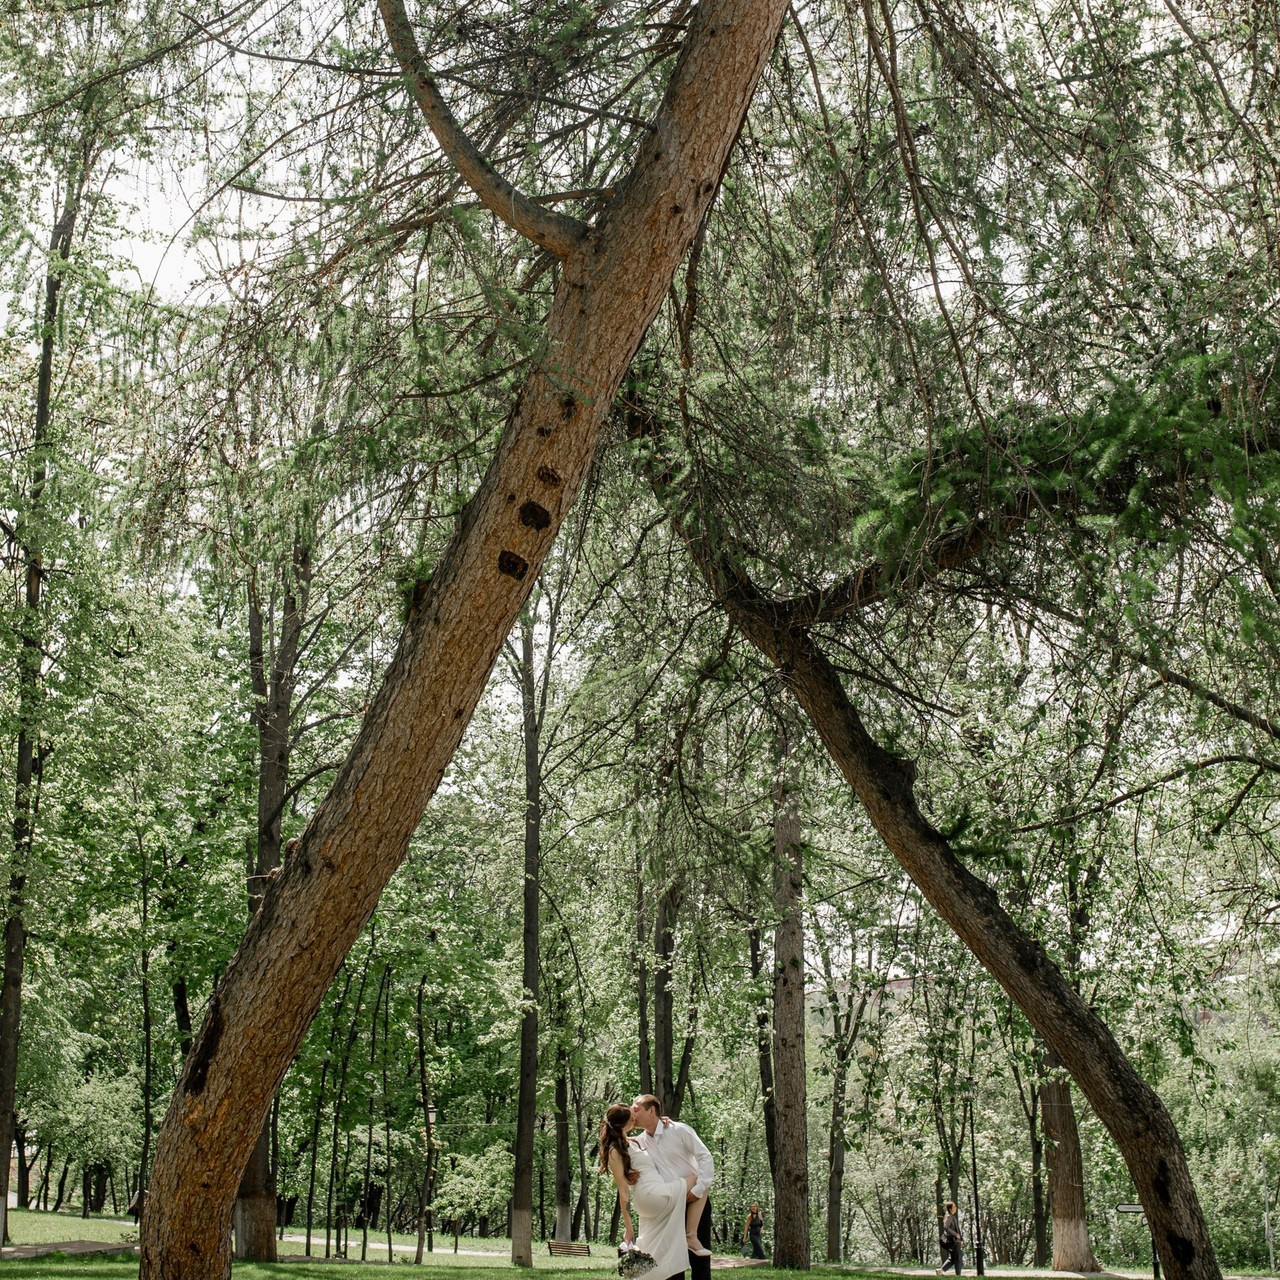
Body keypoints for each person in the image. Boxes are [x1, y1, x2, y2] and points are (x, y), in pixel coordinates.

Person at [600, 1103, 698, 1280]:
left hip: (649, 1199)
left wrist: (662, 1123)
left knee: (653, 1248)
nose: (635, 1119)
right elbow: (623, 1192)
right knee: (697, 1178)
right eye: (632, 1118)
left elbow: (651, 1138)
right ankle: (692, 1235)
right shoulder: (615, 1150)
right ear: (623, 1124)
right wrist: (628, 1229)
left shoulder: (630, 1142)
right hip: (652, 1194)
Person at [629, 1094, 715, 1279]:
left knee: (699, 1259)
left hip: (695, 1200)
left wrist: (698, 1189)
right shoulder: (639, 1142)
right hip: (668, 1205)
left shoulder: (679, 1130)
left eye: (636, 1109)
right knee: (672, 1260)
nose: (632, 1113)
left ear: (651, 1110)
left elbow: (705, 1157)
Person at [937, 1201, 963, 1276]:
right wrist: (956, 1235)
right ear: (950, 1208)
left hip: (954, 1240)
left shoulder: (950, 1215)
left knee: (952, 1258)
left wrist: (960, 1240)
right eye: (954, 1207)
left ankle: (940, 1271)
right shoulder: (949, 1216)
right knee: (958, 1258)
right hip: (952, 1241)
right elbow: (946, 1227)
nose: (956, 1208)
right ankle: (958, 1276)